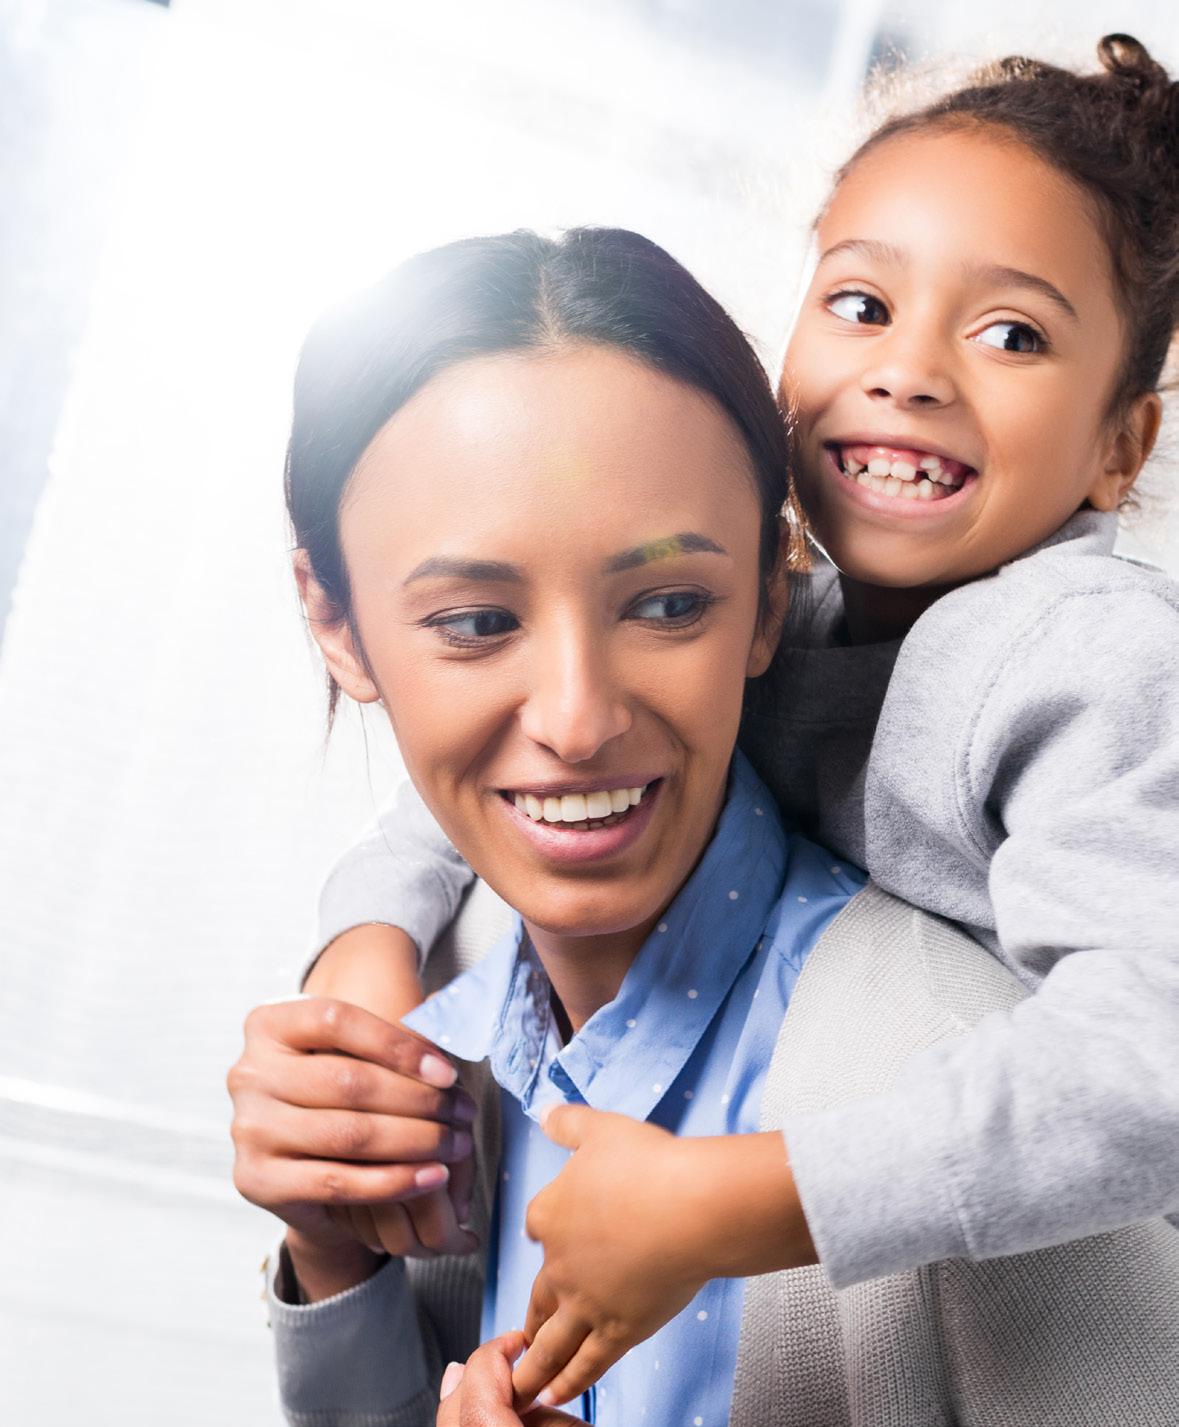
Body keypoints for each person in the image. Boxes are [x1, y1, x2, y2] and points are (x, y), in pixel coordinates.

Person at [283, 34, 1179, 1407]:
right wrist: (367, 946)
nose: (912, 372)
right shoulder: (790, 627)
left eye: (1012, 334)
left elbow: (1149, 1065)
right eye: (862, 304)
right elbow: (455, 798)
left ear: (1122, 446)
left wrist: (745, 1197)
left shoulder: (1095, 655)